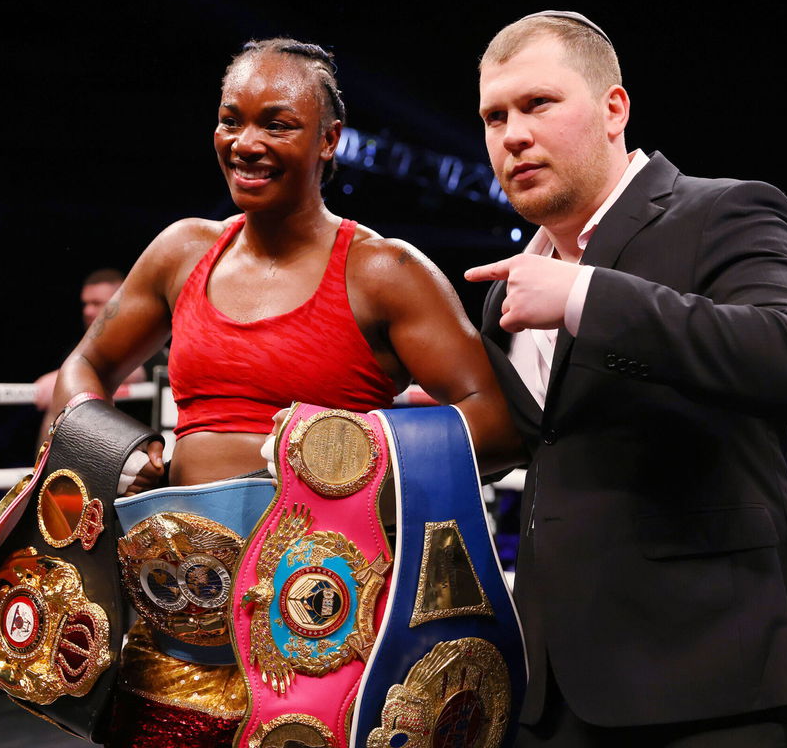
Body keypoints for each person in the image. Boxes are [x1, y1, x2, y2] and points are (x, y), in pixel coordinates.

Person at [48, 37, 519, 747]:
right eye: (230, 119)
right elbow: (82, 371)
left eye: (277, 123)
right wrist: (120, 449)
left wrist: (350, 455)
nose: (246, 142)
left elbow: (498, 419)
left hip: (322, 634)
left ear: (331, 140)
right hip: (175, 633)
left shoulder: (384, 272)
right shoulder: (182, 252)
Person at [466, 10, 787, 747]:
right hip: (557, 693)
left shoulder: (725, 209)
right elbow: (546, 443)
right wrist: (445, 429)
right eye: (494, 115)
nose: (512, 134)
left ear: (613, 109)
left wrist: (583, 297)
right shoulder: (507, 291)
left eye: (538, 104)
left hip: (712, 686)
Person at [34, 269, 147, 411]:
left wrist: (64, 378)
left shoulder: (145, 340)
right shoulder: (79, 348)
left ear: (121, 304)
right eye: (85, 304)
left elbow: (136, 372)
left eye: (96, 303)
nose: (87, 311)